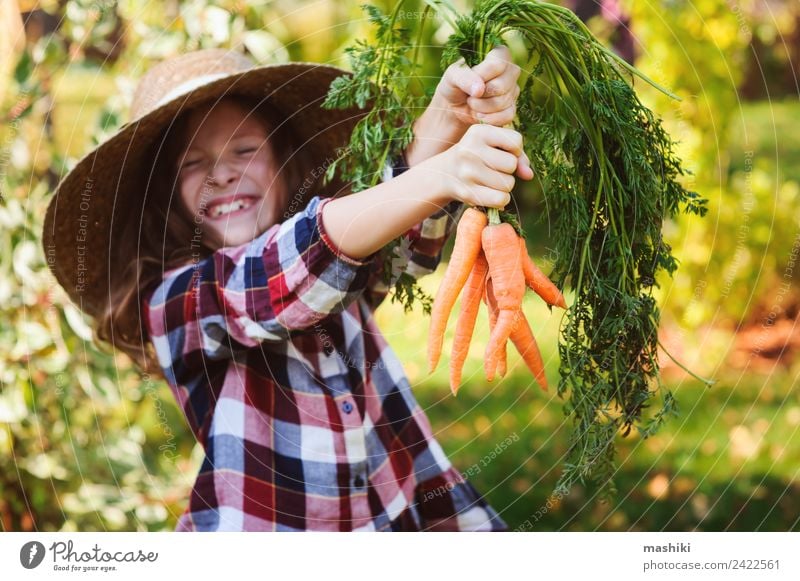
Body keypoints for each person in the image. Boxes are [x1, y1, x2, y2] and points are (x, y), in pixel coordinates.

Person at [43, 47, 532, 531]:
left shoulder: (340, 264)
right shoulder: (176, 300)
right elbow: (280, 274)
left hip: (395, 509)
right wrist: (439, 176)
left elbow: (402, 242)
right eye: (194, 164)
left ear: (284, 161)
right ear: (168, 198)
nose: (223, 174)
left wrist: (443, 121)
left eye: (244, 149)